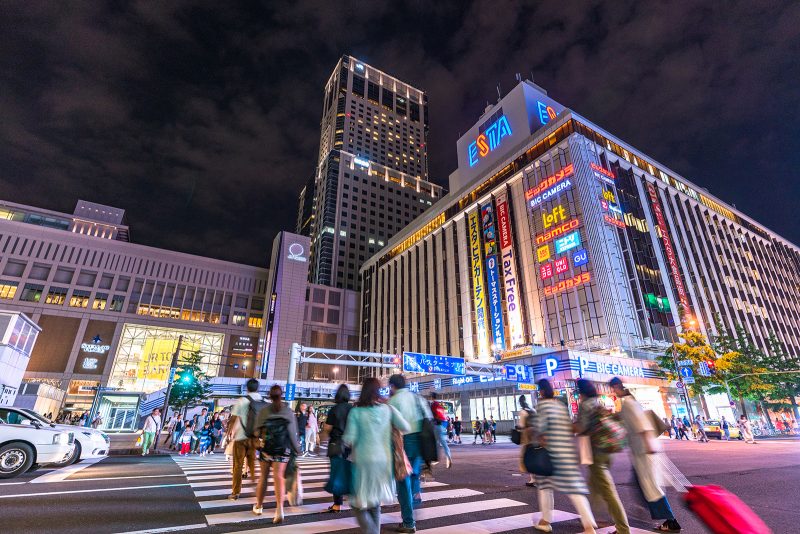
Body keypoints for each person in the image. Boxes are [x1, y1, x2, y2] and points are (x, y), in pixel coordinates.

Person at [610, 377, 681, 533]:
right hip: (640, 452)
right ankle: (648, 511)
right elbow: (626, 421)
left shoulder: (629, 403)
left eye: (613, 389)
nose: (612, 392)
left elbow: (642, 424)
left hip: (644, 451)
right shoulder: (628, 403)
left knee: (651, 487)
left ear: (617, 387)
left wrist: (649, 444)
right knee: (642, 485)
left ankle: (670, 520)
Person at [344, 377, 410, 534]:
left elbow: (349, 439)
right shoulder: (387, 409)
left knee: (357, 503)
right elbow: (406, 427)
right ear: (378, 392)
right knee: (375, 503)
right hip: (384, 462)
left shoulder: (356, 412)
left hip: (362, 461)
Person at [532, 379, 597, 534]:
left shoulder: (542, 406)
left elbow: (540, 430)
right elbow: (569, 427)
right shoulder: (560, 405)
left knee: (545, 487)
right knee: (574, 489)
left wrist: (536, 443)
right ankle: (589, 524)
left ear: (540, 391)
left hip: (550, 454)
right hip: (566, 452)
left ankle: (545, 521)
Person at [575, 379, 630, 534]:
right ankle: (589, 518)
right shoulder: (598, 401)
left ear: (581, 391)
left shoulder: (585, 404)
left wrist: (569, 425)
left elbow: (582, 427)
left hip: (596, 451)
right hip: (606, 449)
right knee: (594, 485)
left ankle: (623, 529)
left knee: (608, 492)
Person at [388, 373, 432, 533]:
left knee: (402, 481)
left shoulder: (393, 401)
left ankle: (408, 522)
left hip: (402, 442)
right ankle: (414, 503)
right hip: (419, 441)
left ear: (392, 386)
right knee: (414, 476)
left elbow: (390, 425)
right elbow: (429, 417)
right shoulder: (416, 397)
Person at [251, 384, 301, 522]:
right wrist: (297, 450)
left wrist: (260, 436)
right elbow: (292, 434)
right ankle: (279, 510)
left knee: (263, 477)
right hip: (282, 449)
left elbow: (255, 431)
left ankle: (259, 506)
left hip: (266, 448)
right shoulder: (288, 412)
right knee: (279, 477)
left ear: (269, 396)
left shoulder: (264, 411)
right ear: (282, 395)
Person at [226, 378, 262, 501]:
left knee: (238, 465)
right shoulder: (263, 401)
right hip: (255, 438)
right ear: (258, 388)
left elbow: (233, 419)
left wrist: (228, 433)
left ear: (247, 388)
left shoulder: (241, 401)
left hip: (241, 437)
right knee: (252, 464)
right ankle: (255, 486)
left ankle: (235, 492)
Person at [324, 384, 353, 513]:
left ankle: (337, 504)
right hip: (351, 445)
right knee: (350, 472)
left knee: (336, 473)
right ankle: (354, 500)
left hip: (336, 444)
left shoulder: (334, 410)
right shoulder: (353, 409)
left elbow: (327, 428)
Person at [517, 395, 537, 488]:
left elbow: (521, 425)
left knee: (527, 457)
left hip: (527, 436)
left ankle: (533, 479)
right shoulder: (532, 410)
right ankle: (535, 477)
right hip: (535, 435)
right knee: (535, 455)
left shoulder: (523, 412)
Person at [429, 392, 452, 468]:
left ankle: (435, 459)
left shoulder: (433, 405)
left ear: (432, 397)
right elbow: (444, 417)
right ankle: (448, 456)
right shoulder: (440, 406)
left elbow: (431, 415)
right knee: (443, 442)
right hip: (442, 426)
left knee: (435, 443)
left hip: (436, 425)